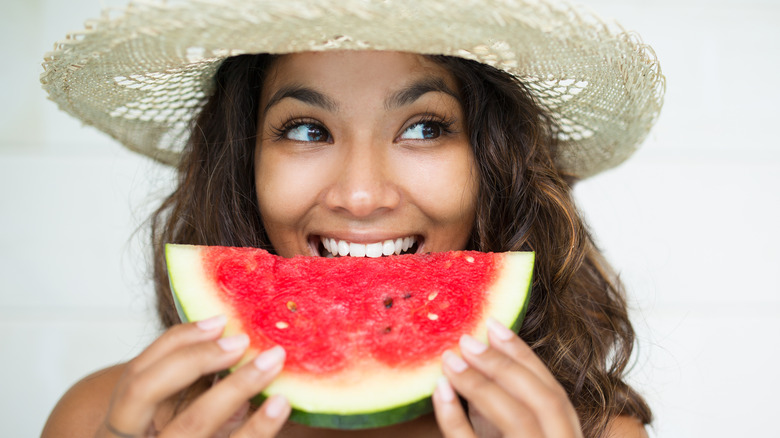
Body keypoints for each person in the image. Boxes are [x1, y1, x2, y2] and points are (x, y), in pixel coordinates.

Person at [39, 1, 665, 437]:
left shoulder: (592, 433)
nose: (361, 196)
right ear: (244, 161)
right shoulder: (100, 419)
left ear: (493, 160)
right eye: (307, 130)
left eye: (424, 128)